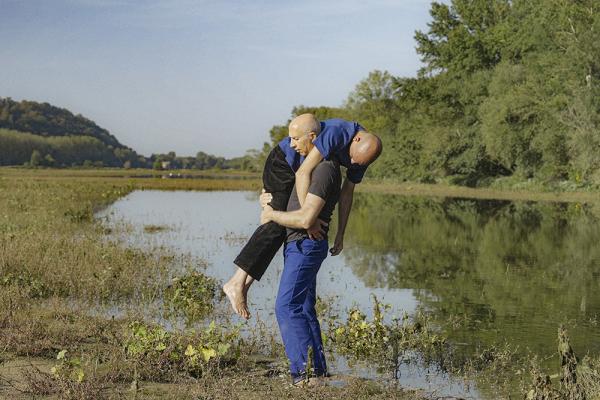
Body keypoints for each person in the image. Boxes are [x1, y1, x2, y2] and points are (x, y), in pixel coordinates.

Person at [223, 113, 382, 319]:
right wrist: (309, 220)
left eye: (356, 163)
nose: (351, 163)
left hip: (299, 168)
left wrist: (341, 233)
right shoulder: (336, 133)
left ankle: (241, 284)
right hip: (284, 163)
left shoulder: (362, 156)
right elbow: (302, 173)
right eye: (351, 158)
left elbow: (347, 195)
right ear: (357, 139)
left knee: (283, 221)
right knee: (276, 221)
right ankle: (237, 282)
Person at [260, 148, 342, 385]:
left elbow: (307, 218)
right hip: (300, 244)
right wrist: (266, 198)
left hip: (305, 245)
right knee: (304, 308)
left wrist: (271, 214)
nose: (294, 145)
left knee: (286, 307)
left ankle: (303, 376)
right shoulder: (311, 167)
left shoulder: (325, 168)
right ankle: (318, 373)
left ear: (314, 139)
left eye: (298, 138)